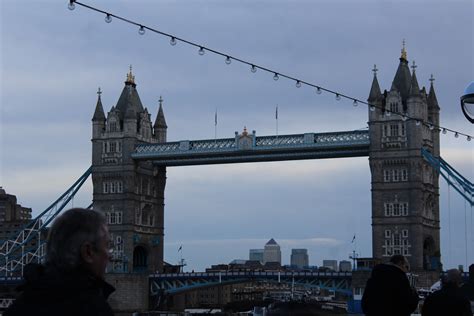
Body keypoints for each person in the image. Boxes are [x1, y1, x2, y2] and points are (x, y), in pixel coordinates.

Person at [6, 208, 115, 316]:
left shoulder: (18, 307)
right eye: (107, 246)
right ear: (88, 252)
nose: (110, 255)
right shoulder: (94, 309)